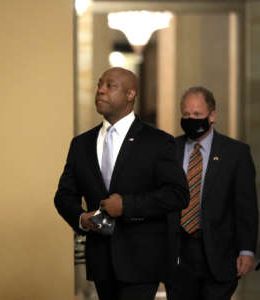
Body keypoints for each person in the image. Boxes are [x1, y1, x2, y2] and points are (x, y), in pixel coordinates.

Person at [54, 67, 189, 300]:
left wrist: (127, 205)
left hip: (142, 262)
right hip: (101, 262)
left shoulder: (157, 142)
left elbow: (177, 194)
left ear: (130, 94)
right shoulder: (81, 144)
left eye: (110, 85)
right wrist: (81, 218)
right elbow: (64, 195)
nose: (101, 91)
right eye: (99, 85)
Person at [165, 87, 259, 300]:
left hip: (219, 253)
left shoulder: (236, 153)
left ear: (212, 115)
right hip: (178, 253)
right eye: (186, 114)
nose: (191, 119)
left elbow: (246, 205)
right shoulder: (170, 149)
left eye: (197, 114)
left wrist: (246, 250)